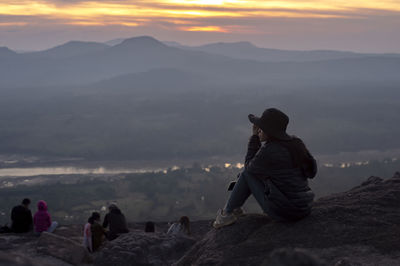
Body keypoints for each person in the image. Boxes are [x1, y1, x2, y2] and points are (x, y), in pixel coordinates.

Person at [213, 108, 317, 229]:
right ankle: (235, 209)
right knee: (249, 174)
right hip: (304, 207)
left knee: (247, 174)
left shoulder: (270, 150)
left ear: (269, 131)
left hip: (286, 213)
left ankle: (227, 214)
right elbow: (312, 172)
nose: (259, 131)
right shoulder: (296, 143)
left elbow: (248, 169)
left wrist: (254, 138)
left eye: (261, 128)